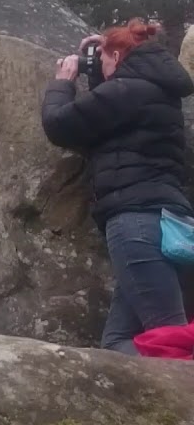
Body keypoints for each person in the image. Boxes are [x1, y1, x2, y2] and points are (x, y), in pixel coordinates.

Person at [41, 18, 194, 354]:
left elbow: (60, 125)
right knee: (117, 344)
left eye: (105, 57)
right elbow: (108, 115)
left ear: (117, 56)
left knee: (171, 342)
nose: (100, 65)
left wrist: (63, 83)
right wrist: (102, 63)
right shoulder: (158, 92)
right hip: (171, 224)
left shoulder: (128, 91)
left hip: (136, 224)